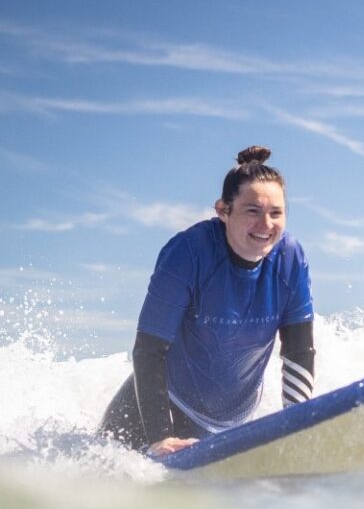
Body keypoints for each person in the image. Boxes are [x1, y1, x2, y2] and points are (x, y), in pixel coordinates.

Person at [98, 145, 315, 456]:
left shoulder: (290, 258)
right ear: (223, 210)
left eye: (276, 213)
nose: (266, 225)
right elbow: (149, 349)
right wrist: (159, 436)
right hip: (152, 416)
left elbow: (298, 350)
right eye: (252, 211)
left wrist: (300, 422)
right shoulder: (189, 253)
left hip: (230, 425)